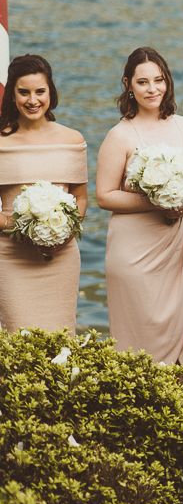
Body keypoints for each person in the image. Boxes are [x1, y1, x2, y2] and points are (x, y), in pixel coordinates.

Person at [96, 47, 183, 363]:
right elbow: (105, 195)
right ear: (128, 85)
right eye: (143, 82)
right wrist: (156, 202)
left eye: (159, 80)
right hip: (133, 253)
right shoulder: (120, 135)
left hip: (177, 245)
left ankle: (171, 407)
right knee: (135, 341)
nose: (152, 89)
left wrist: (182, 205)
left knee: (175, 334)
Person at [0, 54, 88, 333]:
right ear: (12, 95)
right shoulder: (1, 142)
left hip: (61, 256)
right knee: (19, 339)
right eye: (23, 92)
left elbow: (82, 198)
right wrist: (19, 227)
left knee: (61, 340)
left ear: (51, 92)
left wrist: (64, 232)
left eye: (40, 91)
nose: (32, 100)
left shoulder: (72, 140)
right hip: (11, 256)